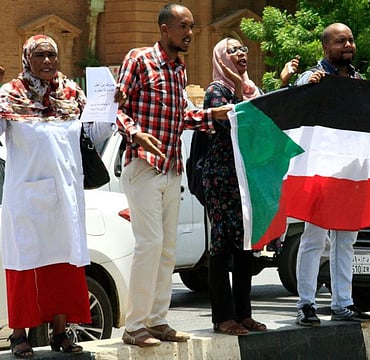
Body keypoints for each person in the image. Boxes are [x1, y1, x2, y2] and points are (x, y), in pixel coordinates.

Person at [115, 3, 232, 347]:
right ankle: (134, 326)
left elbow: (183, 116)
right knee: (149, 245)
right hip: (142, 166)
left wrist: (214, 116)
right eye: (184, 26)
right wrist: (135, 133)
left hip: (171, 169)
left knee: (167, 249)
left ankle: (157, 320)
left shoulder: (179, 69)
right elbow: (116, 108)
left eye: (192, 27)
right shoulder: (139, 60)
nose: (190, 33)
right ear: (165, 29)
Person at [0, 35, 114, 358]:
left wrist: (106, 110)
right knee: (24, 266)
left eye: (52, 55)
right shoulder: (9, 95)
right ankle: (19, 334)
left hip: (66, 196)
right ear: (26, 59)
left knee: (64, 264)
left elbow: (90, 136)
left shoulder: (71, 94)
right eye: (40, 55)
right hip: (26, 198)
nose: (48, 61)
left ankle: (60, 332)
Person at [202, 37, 299, 335]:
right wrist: (235, 81)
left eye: (243, 49)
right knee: (221, 248)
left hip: (247, 180)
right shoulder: (216, 91)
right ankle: (223, 317)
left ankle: (244, 314)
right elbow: (235, 123)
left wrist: (280, 81)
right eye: (233, 50)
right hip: (222, 179)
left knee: (247, 247)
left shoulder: (250, 89)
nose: (241, 53)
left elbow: (267, 117)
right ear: (221, 58)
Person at [294, 23, 370, 326]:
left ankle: (343, 303)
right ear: (326, 48)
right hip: (318, 171)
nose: (349, 45)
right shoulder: (312, 78)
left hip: (350, 173)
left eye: (351, 40)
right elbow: (295, 102)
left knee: (346, 240)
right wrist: (307, 84)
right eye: (342, 41)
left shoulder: (357, 80)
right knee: (314, 239)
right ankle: (305, 305)